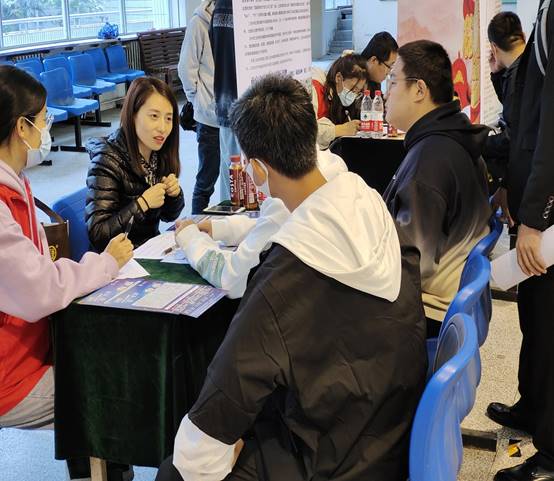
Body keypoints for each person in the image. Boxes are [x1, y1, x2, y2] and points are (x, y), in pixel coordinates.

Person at [155, 74, 426, 481]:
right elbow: (274, 222)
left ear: (257, 170)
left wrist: (205, 457)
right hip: (393, 419)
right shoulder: (364, 197)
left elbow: (215, 417)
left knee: (176, 472)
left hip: (335, 453)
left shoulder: (285, 276)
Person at [0, 66, 133, 478]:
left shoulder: (16, 183)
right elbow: (40, 288)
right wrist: (105, 263)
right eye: (43, 120)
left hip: (33, 344)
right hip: (11, 373)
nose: (47, 128)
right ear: (22, 128)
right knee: (108, 392)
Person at [486, 1, 554, 479]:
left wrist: (534, 218)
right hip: (531, 196)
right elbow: (527, 112)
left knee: (550, 327)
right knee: (534, 315)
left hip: (545, 216)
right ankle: (532, 407)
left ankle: (551, 453)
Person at [383, 40, 491, 337]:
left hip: (423, 317)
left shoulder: (429, 162)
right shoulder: (453, 137)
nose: (387, 93)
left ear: (419, 90)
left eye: (393, 81)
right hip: (445, 304)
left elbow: (411, 266)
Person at [174, 150, 347, 298]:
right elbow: (274, 226)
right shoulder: (334, 168)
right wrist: (222, 228)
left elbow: (232, 278)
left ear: (257, 167)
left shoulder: (285, 202)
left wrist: (191, 240)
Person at [86, 77, 184, 251]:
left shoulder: (158, 154)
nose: (163, 128)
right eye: (154, 116)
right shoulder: (106, 160)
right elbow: (98, 234)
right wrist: (142, 203)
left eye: (168, 118)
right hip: (119, 259)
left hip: (149, 250)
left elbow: (169, 216)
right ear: (133, 115)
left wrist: (174, 195)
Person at [178, 0, 220, 214]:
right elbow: (186, 68)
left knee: (240, 177)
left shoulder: (241, 16)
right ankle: (195, 222)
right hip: (210, 118)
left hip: (239, 115)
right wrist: (198, 102)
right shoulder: (200, 21)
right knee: (206, 180)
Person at [484, 12, 526, 199]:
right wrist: (497, 74)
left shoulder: (517, 76)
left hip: (526, 177)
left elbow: (512, 138)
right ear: (523, 35)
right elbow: (515, 110)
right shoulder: (528, 66)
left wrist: (478, 143)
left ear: (494, 48)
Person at [210, 0, 241, 202]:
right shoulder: (230, 6)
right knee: (236, 176)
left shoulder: (220, 7)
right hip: (239, 103)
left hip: (226, 102)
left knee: (230, 171)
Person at [311, 54, 367, 149]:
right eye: (353, 89)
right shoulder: (314, 89)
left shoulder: (337, 98)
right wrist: (341, 129)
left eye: (358, 92)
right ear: (338, 78)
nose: (353, 95)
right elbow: (304, 131)